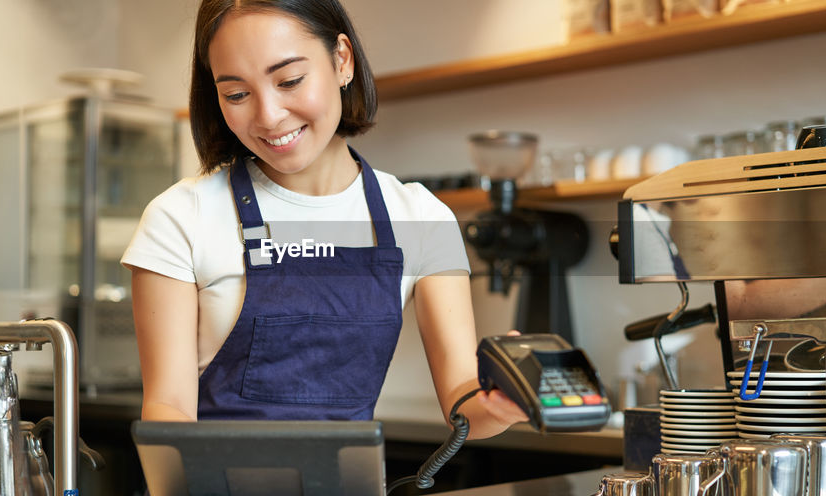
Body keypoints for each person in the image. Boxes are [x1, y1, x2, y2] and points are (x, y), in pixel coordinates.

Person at [120, 0, 527, 440]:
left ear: (342, 60)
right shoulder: (180, 217)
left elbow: (462, 400)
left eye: (290, 80)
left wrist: (501, 403)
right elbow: (168, 408)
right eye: (237, 94)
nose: (268, 116)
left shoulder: (421, 216)